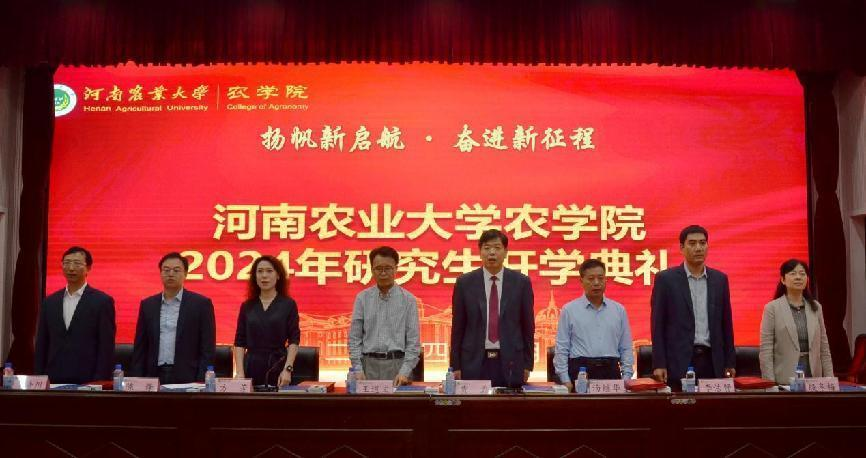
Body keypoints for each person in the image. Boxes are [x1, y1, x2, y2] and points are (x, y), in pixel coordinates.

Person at [651, 225, 735, 390]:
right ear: (681, 247)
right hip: (678, 360)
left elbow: (726, 323)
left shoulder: (720, 280)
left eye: (702, 243)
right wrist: (659, 363)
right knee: (681, 405)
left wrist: (730, 361)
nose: (698, 248)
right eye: (692, 243)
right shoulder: (666, 279)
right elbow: (657, 324)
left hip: (712, 361)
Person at [451, 229, 535, 388]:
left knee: (508, 403)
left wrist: (527, 364)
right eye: (487, 248)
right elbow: (458, 327)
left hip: (511, 360)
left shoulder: (521, 282)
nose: (492, 252)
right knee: (473, 403)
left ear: (506, 252)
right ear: (480, 252)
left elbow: (528, 326)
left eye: (497, 248)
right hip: (473, 360)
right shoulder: (465, 283)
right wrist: (455, 365)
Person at [130, 252, 216, 384]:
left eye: (176, 270)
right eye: (166, 270)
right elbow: (140, 347)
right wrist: (137, 380)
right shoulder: (148, 305)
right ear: (160, 273)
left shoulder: (201, 304)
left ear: (185, 274)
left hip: (188, 377)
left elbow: (207, 348)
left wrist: (202, 381)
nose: (171, 274)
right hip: (153, 376)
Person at [34, 246, 115, 384]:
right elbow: (42, 343)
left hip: (88, 381)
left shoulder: (102, 302)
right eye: (66, 263)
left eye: (77, 263)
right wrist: (39, 378)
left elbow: (106, 347)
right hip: (53, 379)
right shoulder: (50, 302)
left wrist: (99, 382)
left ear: (88, 268)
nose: (71, 268)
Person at [553, 259, 634, 391]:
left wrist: (626, 378)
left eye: (600, 278)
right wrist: (565, 379)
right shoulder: (569, 310)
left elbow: (625, 347)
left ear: (606, 280)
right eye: (591, 278)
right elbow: (562, 348)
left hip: (610, 371)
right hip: (580, 371)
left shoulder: (618, 310)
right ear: (581, 281)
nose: (596, 283)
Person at [348, 246, 421, 385]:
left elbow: (413, 342)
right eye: (378, 268)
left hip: (397, 367)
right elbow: (354, 338)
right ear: (372, 270)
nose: (383, 273)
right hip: (368, 367)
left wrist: (404, 372)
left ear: (396, 269)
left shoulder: (408, 300)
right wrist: (357, 369)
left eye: (388, 268)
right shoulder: (362, 298)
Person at [759, 259, 833, 384]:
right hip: (784, 380)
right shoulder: (772, 308)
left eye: (802, 274)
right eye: (793, 273)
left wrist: (830, 380)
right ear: (783, 280)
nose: (798, 277)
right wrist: (769, 383)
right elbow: (766, 350)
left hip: (813, 378)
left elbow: (824, 347)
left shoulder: (816, 307)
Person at [233, 255, 300, 388]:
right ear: (255, 276)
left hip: (278, 366)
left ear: (278, 275)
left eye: (269, 271)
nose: (264, 276)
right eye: (260, 271)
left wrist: (287, 369)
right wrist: (240, 372)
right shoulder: (247, 306)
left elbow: (294, 340)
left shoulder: (288, 304)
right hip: (251, 366)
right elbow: (239, 342)